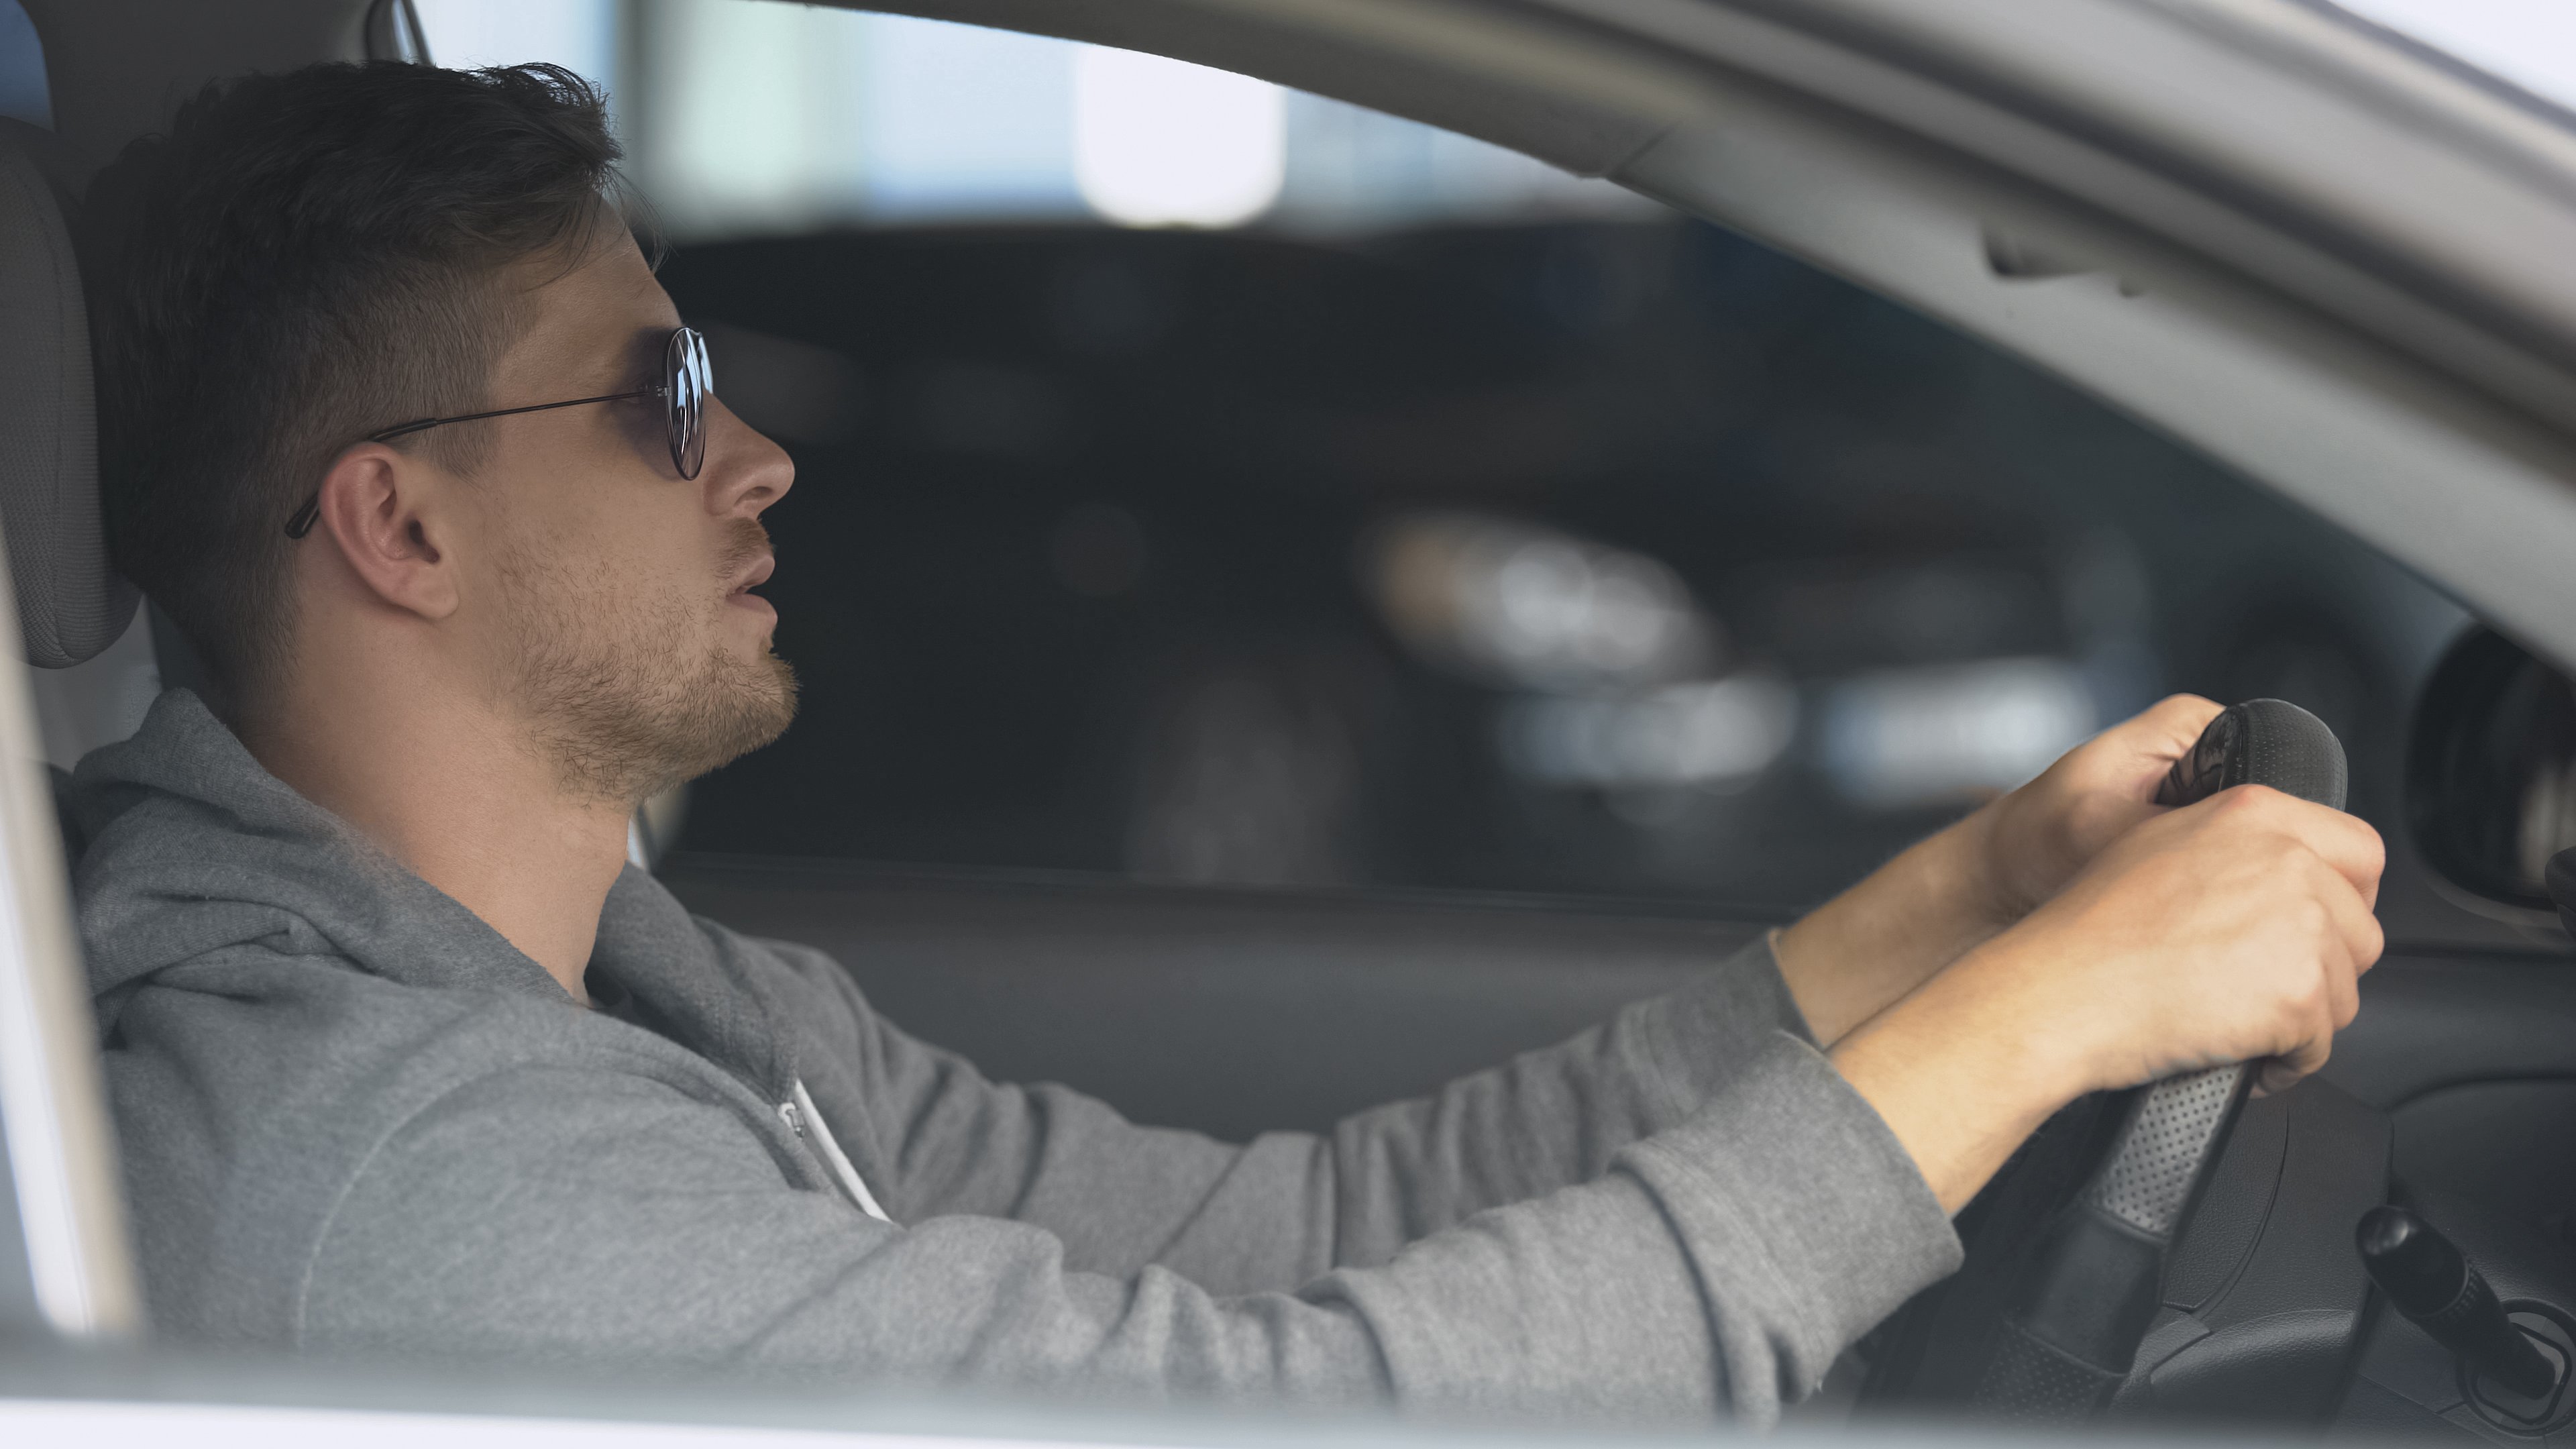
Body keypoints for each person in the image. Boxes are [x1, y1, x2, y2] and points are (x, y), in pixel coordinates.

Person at [65, 61, 2383, 1424]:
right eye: (663, 394)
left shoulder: (649, 996)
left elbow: (1296, 1244)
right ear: (400, 528)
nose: (758, 453)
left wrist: (1965, 912)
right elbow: (1293, 1425)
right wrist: (2052, 1017)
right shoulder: (404, 1171)